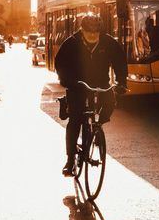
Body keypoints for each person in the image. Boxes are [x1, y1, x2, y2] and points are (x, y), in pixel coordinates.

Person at [54, 13, 128, 177]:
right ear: (82, 30)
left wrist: (121, 82)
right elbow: (59, 63)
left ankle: (96, 128)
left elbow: (120, 61)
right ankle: (70, 160)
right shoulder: (72, 43)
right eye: (89, 32)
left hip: (101, 83)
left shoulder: (108, 42)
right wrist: (66, 80)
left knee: (109, 103)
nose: (93, 35)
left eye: (96, 32)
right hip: (77, 85)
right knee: (75, 120)